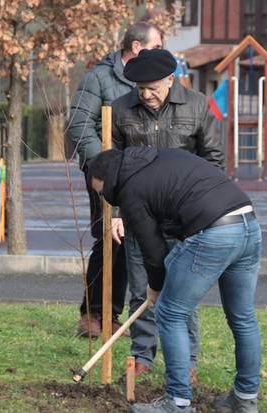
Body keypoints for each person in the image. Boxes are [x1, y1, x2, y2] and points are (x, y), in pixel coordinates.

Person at [88, 147, 262, 413]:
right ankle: (245, 398)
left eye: (101, 191)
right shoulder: (160, 157)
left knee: (171, 313)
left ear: (108, 177)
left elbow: (154, 252)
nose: (104, 197)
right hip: (248, 224)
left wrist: (156, 287)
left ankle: (177, 402)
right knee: (243, 317)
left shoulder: (130, 191)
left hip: (214, 232)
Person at [110, 48, 223, 381]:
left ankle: (186, 361)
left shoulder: (197, 105)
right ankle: (142, 356)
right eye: (140, 88)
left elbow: (213, 161)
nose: (146, 95)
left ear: (171, 79)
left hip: (184, 219)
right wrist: (117, 210)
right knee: (141, 290)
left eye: (153, 88)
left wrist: (203, 211)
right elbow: (113, 166)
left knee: (182, 290)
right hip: (137, 215)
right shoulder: (120, 110)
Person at [66, 23, 164, 337]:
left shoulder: (151, 79)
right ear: (137, 47)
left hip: (143, 172)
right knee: (109, 238)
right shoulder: (99, 78)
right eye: (157, 44)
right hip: (106, 173)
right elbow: (80, 126)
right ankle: (93, 314)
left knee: (134, 240)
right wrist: (107, 166)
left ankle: (114, 314)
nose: (162, 51)